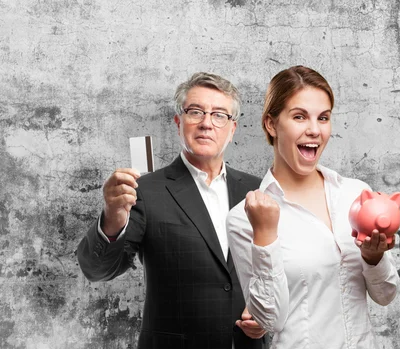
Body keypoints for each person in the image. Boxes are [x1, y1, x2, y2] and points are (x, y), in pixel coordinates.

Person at [78, 72, 266, 349]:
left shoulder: (256, 190)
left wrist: (267, 316)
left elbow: (274, 272)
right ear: (178, 122)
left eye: (218, 115)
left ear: (232, 128)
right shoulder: (145, 190)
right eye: (195, 112)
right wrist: (113, 217)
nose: (206, 123)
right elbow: (97, 270)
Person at [226, 66, 399, 348]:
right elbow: (271, 320)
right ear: (271, 124)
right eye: (299, 117)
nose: (315, 130)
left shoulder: (356, 195)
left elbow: (386, 295)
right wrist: (266, 235)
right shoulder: (245, 219)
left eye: (323, 118)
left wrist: (372, 258)